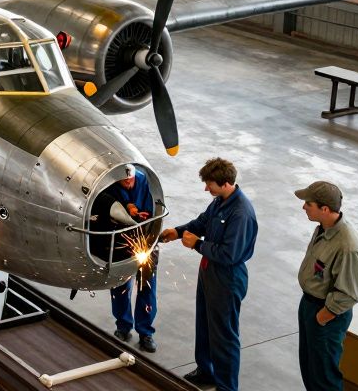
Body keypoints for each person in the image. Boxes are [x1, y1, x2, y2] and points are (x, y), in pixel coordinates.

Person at [160, 158, 258, 391]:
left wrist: (196, 244)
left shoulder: (241, 213)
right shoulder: (220, 201)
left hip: (227, 278)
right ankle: (206, 371)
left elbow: (229, 254)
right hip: (209, 272)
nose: (206, 188)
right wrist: (178, 232)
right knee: (204, 324)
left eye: (209, 184)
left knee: (224, 336)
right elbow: (202, 222)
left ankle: (226, 387)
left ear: (225, 183)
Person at [295, 181, 358, 391]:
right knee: (310, 370)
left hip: (327, 314)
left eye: (309, 203)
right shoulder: (323, 229)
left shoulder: (347, 246)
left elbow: (349, 294)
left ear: (324, 209)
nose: (303, 207)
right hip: (310, 304)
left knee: (324, 378)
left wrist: (322, 317)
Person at [106, 164, 159, 353]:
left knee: (147, 286)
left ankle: (146, 332)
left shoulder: (144, 180)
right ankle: (123, 326)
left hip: (145, 237)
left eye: (131, 180)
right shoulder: (109, 183)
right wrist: (127, 208)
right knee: (120, 285)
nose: (128, 183)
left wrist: (141, 216)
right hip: (120, 239)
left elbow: (154, 210)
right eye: (124, 181)